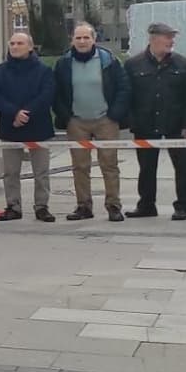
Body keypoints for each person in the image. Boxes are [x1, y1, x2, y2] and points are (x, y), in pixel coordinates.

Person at [52, 21, 131, 222]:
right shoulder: (63, 63)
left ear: (94, 39)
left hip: (106, 120)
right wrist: (66, 116)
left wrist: (114, 114)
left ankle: (113, 206)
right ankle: (83, 206)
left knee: (109, 165)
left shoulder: (109, 60)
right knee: (80, 166)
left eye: (86, 37)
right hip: (76, 122)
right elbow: (57, 93)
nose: (82, 41)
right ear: (72, 40)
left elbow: (123, 88)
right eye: (78, 38)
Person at [125, 21, 186, 221]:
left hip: (175, 124)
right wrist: (132, 121)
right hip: (145, 124)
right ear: (154, 38)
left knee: (182, 166)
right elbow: (128, 95)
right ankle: (146, 205)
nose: (171, 41)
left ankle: (183, 205)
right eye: (168, 37)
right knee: (146, 167)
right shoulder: (133, 64)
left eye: (173, 37)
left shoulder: (182, 64)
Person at [0, 29, 57, 223]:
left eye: (20, 43)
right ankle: (13, 206)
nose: (15, 47)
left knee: (41, 172)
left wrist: (26, 113)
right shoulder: (0, 71)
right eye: (12, 44)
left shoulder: (43, 70)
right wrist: (14, 113)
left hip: (38, 126)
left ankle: (42, 207)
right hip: (10, 127)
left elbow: (47, 95)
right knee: (10, 172)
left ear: (30, 47)